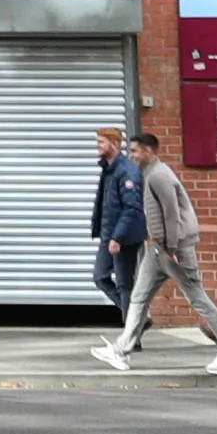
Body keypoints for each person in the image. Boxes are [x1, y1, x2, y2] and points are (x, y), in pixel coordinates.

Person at [92, 131, 217, 371]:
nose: (130, 155)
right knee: (139, 297)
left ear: (148, 151)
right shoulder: (148, 173)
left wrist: (171, 246)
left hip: (174, 250)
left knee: (198, 299)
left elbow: (172, 213)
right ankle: (122, 350)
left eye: (134, 151)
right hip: (158, 249)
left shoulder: (160, 175)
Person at [88, 125, 143, 307]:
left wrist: (117, 237)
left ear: (113, 144)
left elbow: (131, 208)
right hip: (109, 234)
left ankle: (132, 329)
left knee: (124, 283)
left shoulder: (127, 171)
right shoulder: (108, 169)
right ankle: (138, 319)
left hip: (124, 237)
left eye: (101, 142)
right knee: (100, 277)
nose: (98, 146)